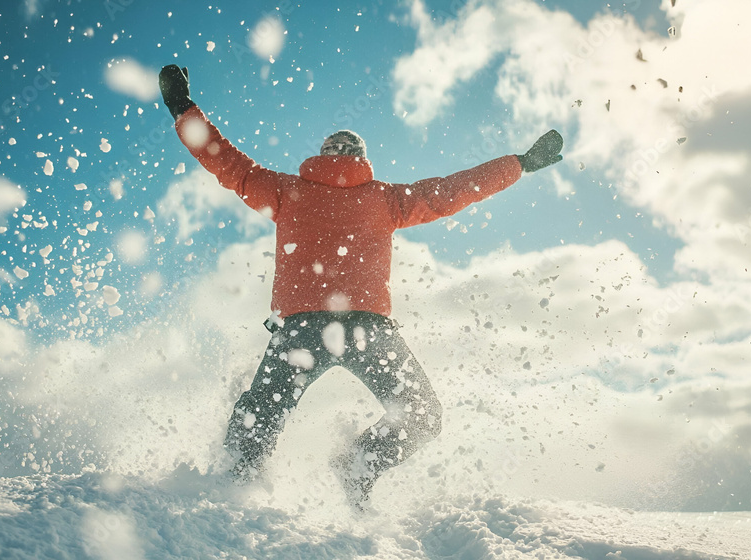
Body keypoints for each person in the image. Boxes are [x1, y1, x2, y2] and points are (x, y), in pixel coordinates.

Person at [158, 64, 563, 509]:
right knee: (422, 416)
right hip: (369, 332)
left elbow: (224, 160)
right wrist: (519, 164)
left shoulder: (283, 190)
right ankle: (360, 464)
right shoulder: (386, 199)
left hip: (301, 330)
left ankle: (229, 489)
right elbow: (454, 190)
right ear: (361, 158)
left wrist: (182, 108)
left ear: (324, 154)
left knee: (261, 414)